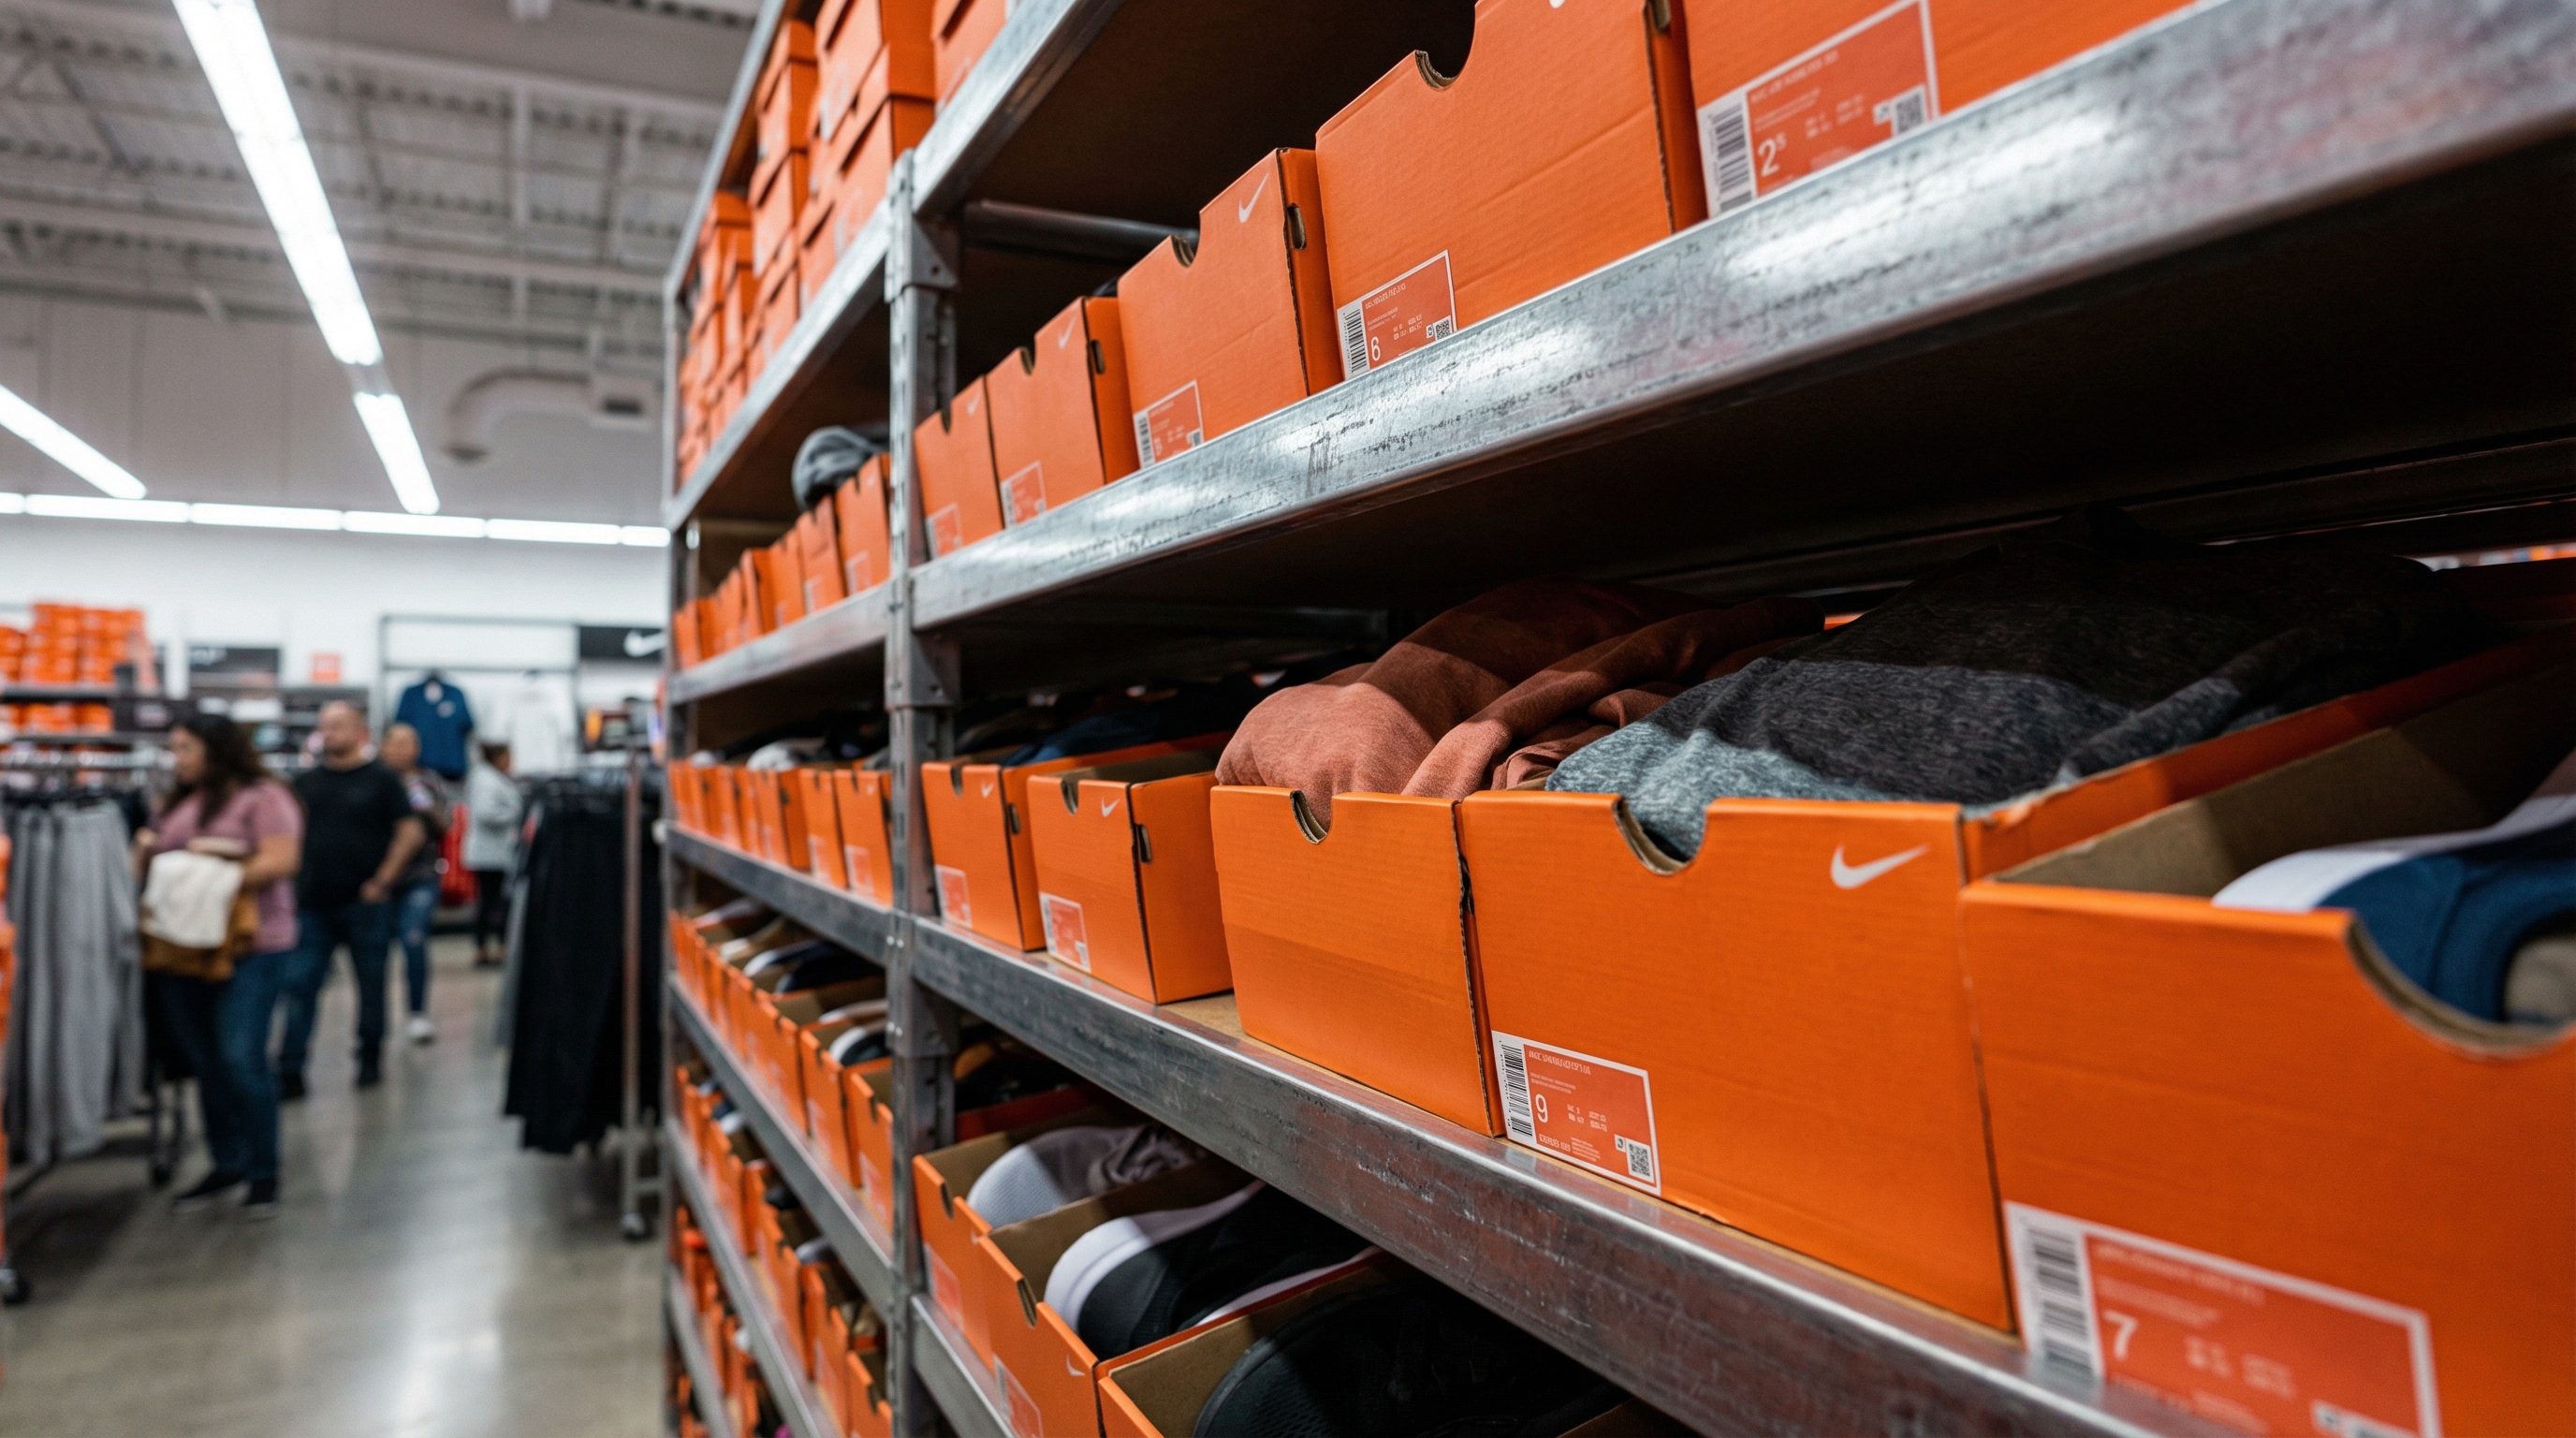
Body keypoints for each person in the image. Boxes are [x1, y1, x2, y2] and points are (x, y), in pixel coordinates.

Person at [136, 713, 302, 1216]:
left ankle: (262, 1170)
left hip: (251, 948)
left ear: (215, 749)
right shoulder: (179, 803)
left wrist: (206, 873)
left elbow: (281, 859)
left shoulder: (264, 798)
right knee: (206, 1062)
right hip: (184, 948)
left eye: (185, 748)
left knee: (240, 1057)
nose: (177, 759)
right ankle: (227, 1161)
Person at [277, 702, 424, 1093]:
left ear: (360, 731)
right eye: (325, 726)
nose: (330, 733)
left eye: (339, 726)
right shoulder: (305, 783)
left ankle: (370, 1058)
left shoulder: (382, 780)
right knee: (301, 986)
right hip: (313, 904)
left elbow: (410, 832)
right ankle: (291, 1067)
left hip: (365, 903)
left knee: (371, 984)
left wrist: (382, 880)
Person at [377, 722, 452, 1044]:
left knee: (414, 940)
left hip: (420, 876)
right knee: (374, 951)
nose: (400, 750)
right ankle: (373, 1022)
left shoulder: (429, 781)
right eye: (394, 743)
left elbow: (446, 826)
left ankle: (418, 1014)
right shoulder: (373, 781)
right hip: (377, 879)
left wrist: (426, 807)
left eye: (407, 744)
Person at [462, 741, 523, 967]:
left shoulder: (491, 778)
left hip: (493, 852)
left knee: (491, 902)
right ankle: (486, 949)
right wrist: (515, 813)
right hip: (489, 854)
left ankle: (492, 947)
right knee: (491, 903)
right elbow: (486, 813)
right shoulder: (486, 780)